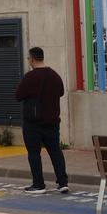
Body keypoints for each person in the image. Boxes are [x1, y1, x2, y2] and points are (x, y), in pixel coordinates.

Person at [14, 46, 68, 194]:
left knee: (34, 153)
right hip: (52, 122)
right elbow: (61, 92)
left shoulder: (30, 77)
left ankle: (38, 184)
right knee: (55, 151)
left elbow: (18, 95)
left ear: (32, 59)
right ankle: (63, 182)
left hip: (33, 123)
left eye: (28, 59)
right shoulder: (54, 75)